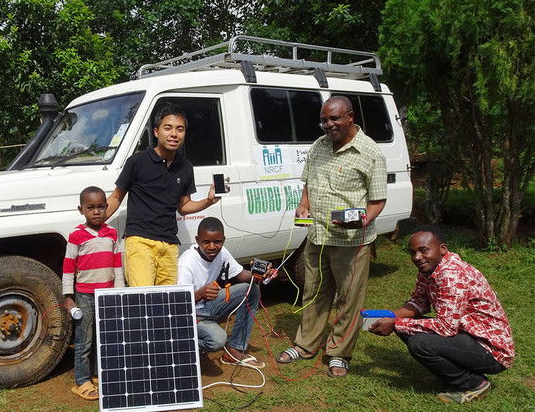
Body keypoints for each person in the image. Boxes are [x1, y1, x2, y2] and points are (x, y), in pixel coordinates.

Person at [277, 96, 387, 377]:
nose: (328, 125)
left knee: (348, 298)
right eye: (324, 120)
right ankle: (305, 345)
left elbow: (377, 201)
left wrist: (364, 220)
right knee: (313, 292)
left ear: (350, 117)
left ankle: (339, 352)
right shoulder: (318, 146)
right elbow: (308, 185)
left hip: (352, 241)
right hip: (318, 236)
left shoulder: (370, 152)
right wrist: (304, 205)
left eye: (334, 119)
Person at [369, 226, 515, 403]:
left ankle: (475, 383)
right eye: (412, 252)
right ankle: (450, 374)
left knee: (419, 342)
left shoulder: (451, 275)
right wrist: (389, 317)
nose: (416, 257)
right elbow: (419, 302)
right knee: (406, 326)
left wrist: (395, 323)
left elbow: (446, 328)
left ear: (442, 249)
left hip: (491, 350)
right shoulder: (430, 268)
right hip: (466, 335)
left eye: (423, 250)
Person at [106, 103, 219, 287]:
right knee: (144, 299)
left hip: (169, 246)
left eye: (179, 129)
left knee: (165, 304)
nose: (174, 134)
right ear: (157, 132)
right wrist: (93, 223)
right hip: (140, 242)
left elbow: (183, 207)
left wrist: (208, 200)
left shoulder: (186, 167)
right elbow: (116, 198)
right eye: (168, 128)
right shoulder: (137, 161)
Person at [178, 217, 274, 368]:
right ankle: (176, 346)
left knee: (251, 290)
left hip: (208, 306)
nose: (212, 247)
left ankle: (234, 350)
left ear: (223, 240)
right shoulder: (186, 263)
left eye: (217, 242)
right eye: (206, 242)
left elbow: (241, 275)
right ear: (197, 240)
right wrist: (200, 294)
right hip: (190, 314)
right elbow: (178, 305)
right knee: (217, 340)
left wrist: (258, 274)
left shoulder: (222, 253)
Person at [63, 186, 124, 400]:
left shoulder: (112, 233)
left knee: (104, 337)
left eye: (100, 207)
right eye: (91, 208)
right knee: (84, 339)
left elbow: (117, 265)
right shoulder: (77, 236)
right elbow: (69, 268)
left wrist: (119, 292)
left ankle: (99, 374)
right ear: (81, 210)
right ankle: (81, 381)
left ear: (107, 208)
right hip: (85, 296)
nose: (96, 212)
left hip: (107, 296)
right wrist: (68, 297)